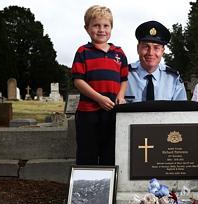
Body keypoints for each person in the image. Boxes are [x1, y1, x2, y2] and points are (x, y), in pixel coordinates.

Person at [71, 5, 128, 165]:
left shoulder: (119, 53)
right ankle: (85, 188)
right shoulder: (83, 52)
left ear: (111, 27)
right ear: (87, 28)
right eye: (96, 25)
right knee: (87, 152)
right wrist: (99, 98)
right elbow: (78, 80)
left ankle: (107, 188)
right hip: (88, 112)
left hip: (111, 111)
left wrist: (120, 95)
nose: (101, 30)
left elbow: (124, 79)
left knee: (110, 153)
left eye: (106, 26)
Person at [125, 20, 187, 102]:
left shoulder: (173, 79)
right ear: (138, 49)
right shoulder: (124, 75)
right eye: (146, 47)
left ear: (162, 51)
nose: (150, 53)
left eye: (156, 48)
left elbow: (181, 111)